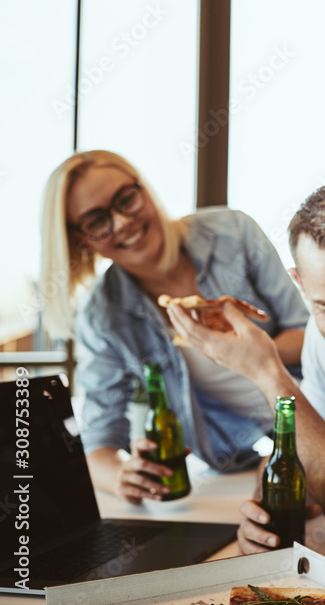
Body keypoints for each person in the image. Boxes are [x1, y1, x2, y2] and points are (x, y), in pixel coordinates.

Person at [40, 150, 309, 504]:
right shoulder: (103, 317)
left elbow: (308, 335)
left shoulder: (233, 233)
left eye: (126, 200)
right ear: (81, 240)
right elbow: (98, 439)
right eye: (96, 221)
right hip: (254, 459)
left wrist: (241, 348)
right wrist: (121, 475)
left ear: (144, 189)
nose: (122, 222)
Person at [168, 182, 325, 551]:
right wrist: (265, 513)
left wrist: (265, 371)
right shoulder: (321, 339)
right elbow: (301, 450)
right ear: (300, 284)